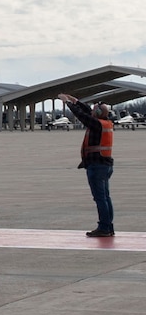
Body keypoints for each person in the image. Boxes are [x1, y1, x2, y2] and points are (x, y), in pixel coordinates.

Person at [57, 92, 116, 237]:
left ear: (96, 113)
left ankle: (104, 227)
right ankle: (108, 226)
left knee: (100, 198)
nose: (91, 110)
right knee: (105, 197)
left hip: (97, 166)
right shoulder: (105, 122)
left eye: (94, 109)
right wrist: (75, 100)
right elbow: (87, 111)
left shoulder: (96, 124)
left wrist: (68, 103)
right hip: (104, 165)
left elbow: (82, 115)